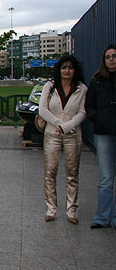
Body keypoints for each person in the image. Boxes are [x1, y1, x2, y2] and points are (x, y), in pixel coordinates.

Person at [38, 55, 87, 224]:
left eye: (70, 68)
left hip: (72, 134)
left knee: (72, 174)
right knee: (50, 172)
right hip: (52, 133)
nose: (67, 71)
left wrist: (69, 125)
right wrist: (59, 124)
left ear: (75, 70)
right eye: (64, 67)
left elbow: (82, 112)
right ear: (59, 70)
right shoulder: (50, 86)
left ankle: (72, 210)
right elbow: (42, 109)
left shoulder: (81, 89)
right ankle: (51, 209)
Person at [85, 44, 116, 230]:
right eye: (108, 57)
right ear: (104, 61)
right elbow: (90, 105)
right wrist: (96, 119)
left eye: (114, 56)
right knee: (106, 177)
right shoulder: (97, 82)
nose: (111, 59)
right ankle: (103, 217)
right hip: (103, 132)